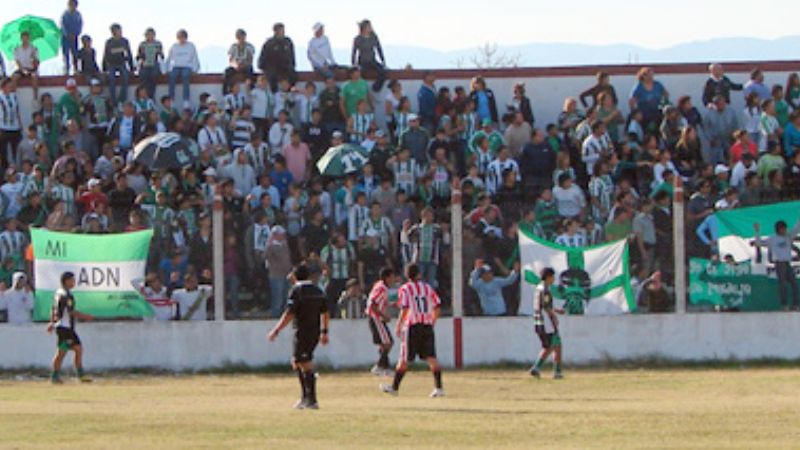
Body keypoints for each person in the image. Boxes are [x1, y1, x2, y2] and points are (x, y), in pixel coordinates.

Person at [268, 263, 330, 410]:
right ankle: (305, 397)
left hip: (302, 331)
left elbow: (289, 314)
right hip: (314, 331)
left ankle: (312, 399)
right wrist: (324, 331)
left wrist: (276, 330)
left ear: (295, 276)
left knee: (304, 363)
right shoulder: (318, 290)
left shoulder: (297, 291)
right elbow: (326, 312)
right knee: (297, 362)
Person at [381, 263, 444, 398]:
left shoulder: (405, 289)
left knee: (405, 358)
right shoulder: (427, 287)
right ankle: (439, 388)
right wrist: (432, 321)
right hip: (427, 325)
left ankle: (394, 387)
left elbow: (405, 308)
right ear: (419, 274)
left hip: (413, 326)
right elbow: (437, 306)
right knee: (431, 358)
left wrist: (399, 324)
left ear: (406, 275)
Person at [47, 271, 94, 383]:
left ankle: (79, 375)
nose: (74, 282)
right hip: (65, 327)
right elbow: (71, 312)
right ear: (66, 281)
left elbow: (54, 309)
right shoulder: (66, 295)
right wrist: (85, 316)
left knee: (78, 349)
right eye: (72, 280)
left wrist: (52, 322)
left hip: (64, 327)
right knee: (62, 352)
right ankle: (55, 376)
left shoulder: (58, 293)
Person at [753, 220, 800, 311]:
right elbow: (758, 243)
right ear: (778, 230)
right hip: (779, 264)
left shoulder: (788, 237)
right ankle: (784, 304)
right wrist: (757, 231)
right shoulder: (772, 239)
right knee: (783, 285)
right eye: (782, 229)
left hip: (787, 263)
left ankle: (796, 304)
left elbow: (796, 229)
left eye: (785, 229)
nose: (784, 231)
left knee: (794, 284)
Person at [529, 267, 565, 379]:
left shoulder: (539, 288)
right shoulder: (545, 289)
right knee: (556, 345)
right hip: (546, 323)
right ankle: (556, 372)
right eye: (553, 276)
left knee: (549, 346)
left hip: (538, 321)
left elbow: (544, 305)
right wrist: (554, 317)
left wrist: (557, 310)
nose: (554, 279)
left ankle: (536, 368)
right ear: (549, 277)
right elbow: (545, 306)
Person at [365, 267, 396, 376]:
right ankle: (379, 366)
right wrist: (384, 316)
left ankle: (385, 367)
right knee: (388, 343)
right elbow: (373, 305)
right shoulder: (382, 288)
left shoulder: (380, 286)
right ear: (387, 278)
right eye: (392, 277)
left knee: (385, 344)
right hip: (376, 317)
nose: (394, 280)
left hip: (377, 317)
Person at [166, 29, 200, 109]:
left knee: (185, 76)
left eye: (183, 37)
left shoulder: (191, 46)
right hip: (176, 66)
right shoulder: (174, 46)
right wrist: (167, 69)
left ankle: (186, 100)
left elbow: (195, 58)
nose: (181, 39)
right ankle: (172, 100)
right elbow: (169, 58)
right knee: (172, 77)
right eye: (180, 37)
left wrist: (195, 69)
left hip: (187, 66)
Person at [258, 23, 297, 92]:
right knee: (272, 76)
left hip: (285, 66)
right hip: (272, 67)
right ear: (275, 31)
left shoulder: (288, 42)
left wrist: (292, 65)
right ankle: (274, 93)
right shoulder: (269, 43)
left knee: (293, 74)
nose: (282, 32)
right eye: (280, 31)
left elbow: (292, 56)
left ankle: (289, 92)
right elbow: (262, 58)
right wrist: (263, 67)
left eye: (283, 30)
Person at [102, 24, 134, 105]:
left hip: (121, 63)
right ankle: (113, 100)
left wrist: (131, 67)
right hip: (112, 64)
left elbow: (129, 54)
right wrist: (104, 69)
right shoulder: (109, 42)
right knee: (111, 80)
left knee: (125, 78)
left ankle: (122, 100)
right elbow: (105, 55)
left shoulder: (124, 41)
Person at [352, 20, 387, 92]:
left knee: (382, 72)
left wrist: (383, 61)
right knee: (360, 75)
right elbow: (354, 52)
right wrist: (354, 64)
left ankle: (375, 88)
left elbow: (379, 49)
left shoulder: (374, 37)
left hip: (372, 60)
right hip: (363, 61)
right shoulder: (358, 39)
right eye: (368, 27)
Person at [224, 29, 256, 94]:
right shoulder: (233, 47)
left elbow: (250, 59)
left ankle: (251, 89)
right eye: (240, 37)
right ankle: (226, 92)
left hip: (246, 65)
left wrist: (244, 65)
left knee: (250, 70)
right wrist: (235, 65)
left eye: (243, 36)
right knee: (227, 72)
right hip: (235, 66)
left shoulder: (249, 46)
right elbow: (231, 59)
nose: (242, 38)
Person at [136, 28, 164, 100]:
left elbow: (162, 57)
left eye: (151, 34)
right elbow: (138, 57)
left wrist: (159, 52)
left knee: (153, 77)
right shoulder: (142, 44)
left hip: (154, 63)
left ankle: (151, 97)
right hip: (145, 64)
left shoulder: (158, 43)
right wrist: (141, 55)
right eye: (148, 35)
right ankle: (143, 96)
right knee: (143, 78)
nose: (150, 36)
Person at [12, 31, 41, 99]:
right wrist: (22, 69)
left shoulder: (33, 48)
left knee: (34, 77)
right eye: (23, 38)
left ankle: (35, 98)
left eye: (26, 38)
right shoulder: (17, 49)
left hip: (31, 69)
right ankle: (14, 96)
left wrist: (34, 57)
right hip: (21, 68)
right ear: (21, 38)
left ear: (29, 38)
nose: (25, 39)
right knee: (14, 77)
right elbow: (17, 61)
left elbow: (37, 62)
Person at [60, 0, 83, 75]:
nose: (72, 6)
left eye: (74, 5)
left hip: (74, 37)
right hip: (65, 38)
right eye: (70, 4)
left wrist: (76, 33)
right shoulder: (65, 14)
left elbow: (80, 25)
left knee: (75, 53)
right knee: (66, 54)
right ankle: (66, 69)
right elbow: (62, 26)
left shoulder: (78, 15)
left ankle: (76, 69)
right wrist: (67, 34)